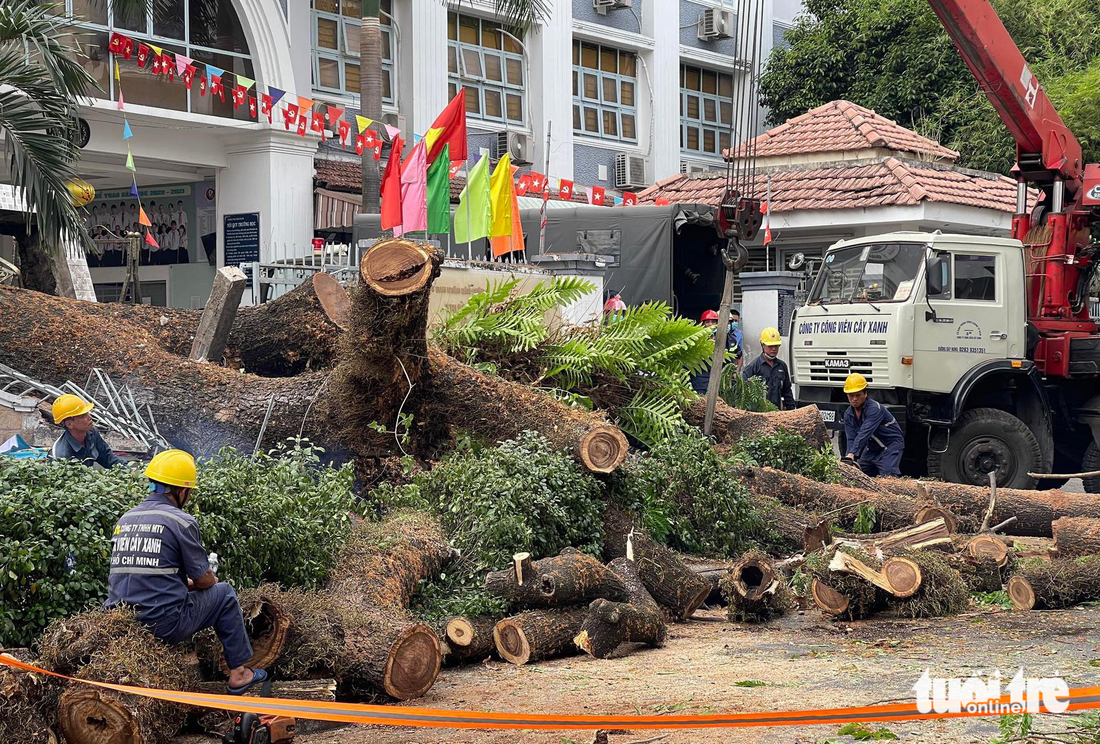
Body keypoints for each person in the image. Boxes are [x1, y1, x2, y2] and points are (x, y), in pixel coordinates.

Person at [106, 450, 266, 695]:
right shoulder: (180, 521)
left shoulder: (125, 519)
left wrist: (184, 584)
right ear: (182, 491)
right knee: (224, 594)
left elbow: (144, 575)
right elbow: (204, 580)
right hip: (161, 623)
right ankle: (240, 674)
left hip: (122, 621)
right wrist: (209, 580)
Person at [841, 373, 904, 477]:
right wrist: (849, 458)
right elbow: (851, 438)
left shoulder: (875, 409)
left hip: (890, 445)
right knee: (855, 474)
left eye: (858, 395)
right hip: (873, 447)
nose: (854, 399)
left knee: (889, 477)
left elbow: (864, 432)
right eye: (851, 396)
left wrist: (853, 453)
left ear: (865, 394)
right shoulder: (848, 414)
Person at [49, 394, 126, 468]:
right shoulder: (60, 456)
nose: (90, 417)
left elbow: (108, 458)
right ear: (69, 424)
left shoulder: (92, 433)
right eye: (83, 415)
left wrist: (129, 470)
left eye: (88, 413)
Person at [741, 327, 796, 410]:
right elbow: (743, 391)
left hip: (776, 413)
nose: (773, 349)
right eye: (770, 346)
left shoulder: (782, 366)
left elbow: (787, 391)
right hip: (759, 415)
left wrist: (792, 411)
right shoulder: (753, 367)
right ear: (762, 345)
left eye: (776, 346)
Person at [691, 309, 743, 394]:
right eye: (707, 322)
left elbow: (738, 356)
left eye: (713, 322)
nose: (710, 324)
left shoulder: (727, 339)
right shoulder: (696, 340)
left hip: (720, 380)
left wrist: (735, 372)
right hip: (700, 380)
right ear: (702, 324)